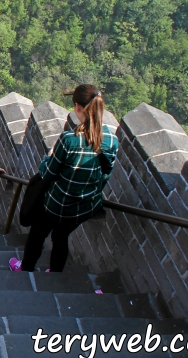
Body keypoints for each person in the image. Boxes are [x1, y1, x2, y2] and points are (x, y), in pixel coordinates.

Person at [9, 84, 118, 273]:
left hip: (56, 204)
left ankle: (25, 270)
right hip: (84, 207)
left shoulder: (69, 139)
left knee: (37, 234)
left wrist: (49, 156)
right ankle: (56, 275)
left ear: (77, 107)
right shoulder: (111, 138)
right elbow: (105, 174)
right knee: (61, 237)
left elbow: (47, 174)